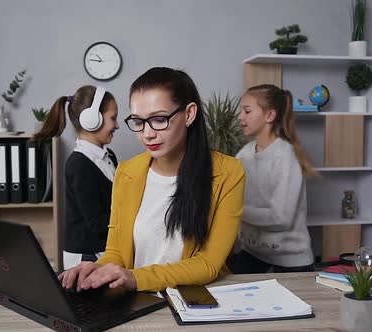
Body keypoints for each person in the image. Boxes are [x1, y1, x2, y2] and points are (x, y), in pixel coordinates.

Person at [58, 67, 245, 292]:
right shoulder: (127, 172)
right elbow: (117, 253)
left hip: (195, 302)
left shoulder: (228, 173)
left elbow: (208, 264)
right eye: (138, 121)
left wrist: (135, 278)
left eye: (158, 119)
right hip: (139, 302)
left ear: (189, 114)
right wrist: (95, 269)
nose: (147, 133)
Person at [229, 84, 317, 274]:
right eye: (241, 111)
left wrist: (234, 211)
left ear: (269, 115)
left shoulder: (285, 156)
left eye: (247, 111)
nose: (240, 117)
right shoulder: (243, 155)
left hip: (291, 260)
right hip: (254, 252)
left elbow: (281, 218)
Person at [34, 85, 119, 270]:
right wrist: (134, 214)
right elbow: (96, 222)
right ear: (92, 120)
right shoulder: (78, 164)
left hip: (104, 250)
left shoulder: (109, 156)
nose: (117, 125)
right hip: (87, 256)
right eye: (113, 118)